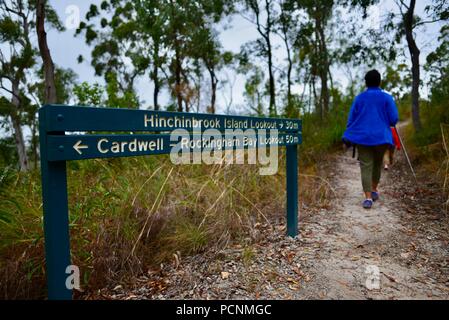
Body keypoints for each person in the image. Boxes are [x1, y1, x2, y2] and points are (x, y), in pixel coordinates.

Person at [342, 69, 399, 209]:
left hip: (362, 137)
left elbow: (351, 119)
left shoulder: (359, 98)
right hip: (381, 137)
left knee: (365, 165)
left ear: (366, 83)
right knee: (377, 163)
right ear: (379, 81)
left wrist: (350, 134)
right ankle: (374, 190)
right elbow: (394, 119)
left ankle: (368, 198)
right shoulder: (387, 98)